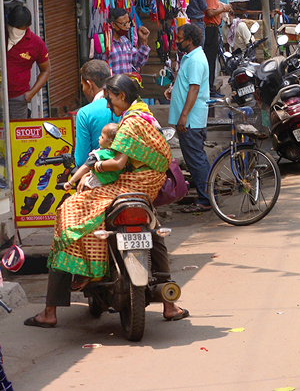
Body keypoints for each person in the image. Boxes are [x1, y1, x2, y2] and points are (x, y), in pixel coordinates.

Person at [25, 74, 188, 328]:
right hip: (147, 190)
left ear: (121, 96)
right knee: (154, 233)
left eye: (111, 101)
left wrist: (95, 167)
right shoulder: (146, 115)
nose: (109, 106)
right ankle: (169, 305)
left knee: (69, 215)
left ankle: (50, 310)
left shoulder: (130, 122)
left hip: (133, 185)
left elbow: (118, 163)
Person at [167, 24, 212, 214]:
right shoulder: (190, 58)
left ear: (190, 40)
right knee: (196, 158)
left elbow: (194, 89)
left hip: (191, 120)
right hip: (189, 118)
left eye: (180, 38)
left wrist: (183, 115)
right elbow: (187, 85)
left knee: (196, 159)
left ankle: (206, 199)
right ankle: (207, 195)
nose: (177, 41)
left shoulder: (195, 60)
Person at [5, 5, 50, 119]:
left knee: (16, 133)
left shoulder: (36, 43)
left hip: (18, 99)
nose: (14, 30)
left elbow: (46, 71)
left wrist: (31, 93)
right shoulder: (2, 34)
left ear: (27, 27)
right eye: (12, 27)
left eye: (19, 28)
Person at [74, 60, 118, 168]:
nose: (83, 89)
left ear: (89, 84)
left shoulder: (84, 113)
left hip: (97, 174)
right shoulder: (125, 105)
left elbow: (81, 160)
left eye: (82, 85)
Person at [63, 123, 121, 191]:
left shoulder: (98, 155)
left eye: (102, 137)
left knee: (72, 201)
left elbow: (85, 167)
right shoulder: (120, 155)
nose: (99, 138)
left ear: (110, 144)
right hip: (113, 188)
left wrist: (70, 182)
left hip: (95, 187)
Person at [97, 7, 151, 76]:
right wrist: (119, 77)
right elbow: (100, 72)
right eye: (124, 24)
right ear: (113, 24)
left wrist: (144, 41)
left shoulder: (126, 41)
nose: (128, 26)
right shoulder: (105, 44)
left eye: (128, 23)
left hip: (126, 85)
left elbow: (138, 62)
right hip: (113, 86)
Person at [204, 0, 231, 96]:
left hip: (212, 28)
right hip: (210, 29)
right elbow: (210, 12)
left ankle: (210, 87)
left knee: (211, 59)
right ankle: (210, 89)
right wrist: (224, 8)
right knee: (210, 60)